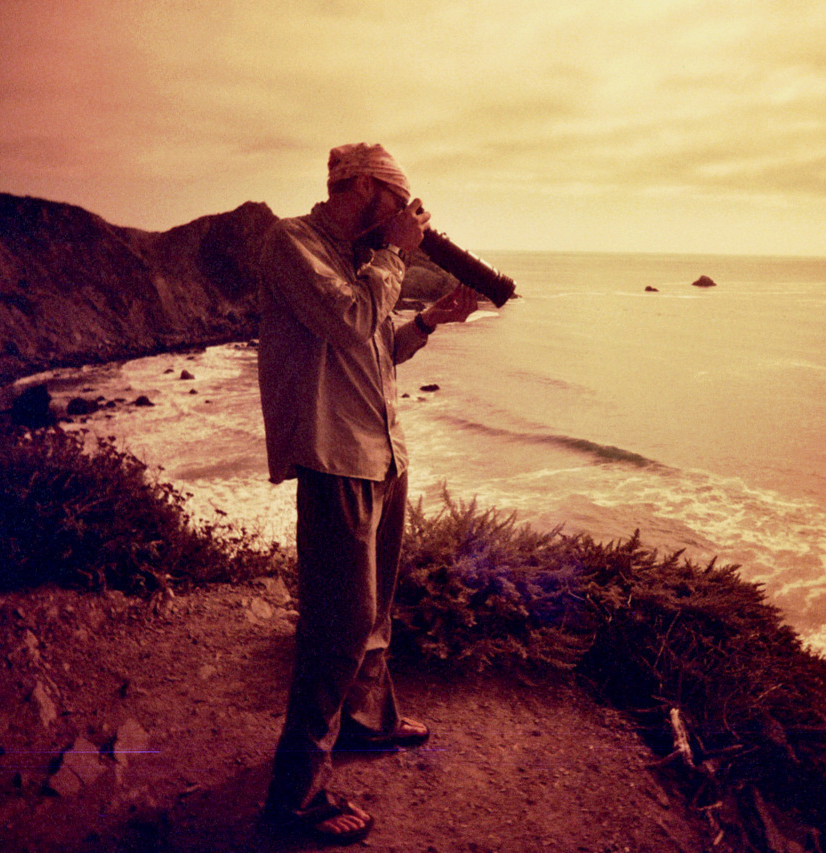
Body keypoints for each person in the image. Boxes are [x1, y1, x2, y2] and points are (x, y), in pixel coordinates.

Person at [256, 143, 478, 845]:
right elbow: (349, 320)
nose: (409, 216)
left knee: (375, 611)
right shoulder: (292, 242)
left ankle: (366, 721)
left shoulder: (361, 260)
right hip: (335, 458)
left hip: (383, 453)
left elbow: (377, 347)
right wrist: (398, 257)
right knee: (338, 627)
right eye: (399, 199)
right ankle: (292, 797)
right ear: (360, 186)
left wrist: (431, 319)